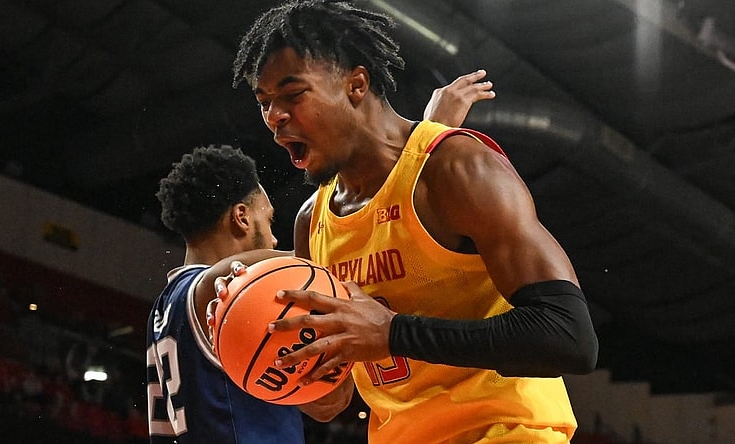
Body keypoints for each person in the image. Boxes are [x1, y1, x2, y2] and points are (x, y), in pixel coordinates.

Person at [231, 1, 599, 443]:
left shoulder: (455, 168)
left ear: (357, 84)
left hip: (505, 431)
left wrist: (394, 333)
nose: (275, 118)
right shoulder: (311, 222)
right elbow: (332, 400)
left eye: (293, 95)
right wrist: (255, 343)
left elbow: (569, 338)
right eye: (265, 102)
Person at [146, 73, 495, 441]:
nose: (279, 235)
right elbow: (346, 248)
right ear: (241, 217)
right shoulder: (227, 282)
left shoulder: (164, 308)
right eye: (269, 218)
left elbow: (330, 404)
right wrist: (428, 137)